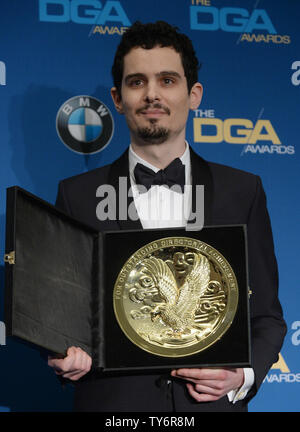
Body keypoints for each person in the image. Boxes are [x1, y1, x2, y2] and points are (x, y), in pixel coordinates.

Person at [49, 21, 286, 412]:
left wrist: (241, 376)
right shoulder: (76, 195)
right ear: (118, 97)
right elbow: (59, 315)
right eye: (137, 82)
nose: (152, 94)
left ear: (194, 95)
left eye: (167, 80)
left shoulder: (243, 191)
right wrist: (60, 351)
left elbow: (267, 317)